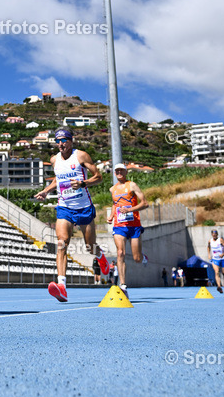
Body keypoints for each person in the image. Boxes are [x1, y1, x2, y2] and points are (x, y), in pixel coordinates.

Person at [34, 128, 108, 302]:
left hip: (84, 208)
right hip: (64, 207)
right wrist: (45, 191)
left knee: (90, 246)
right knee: (61, 243)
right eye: (58, 141)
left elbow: (98, 177)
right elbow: (58, 179)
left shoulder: (81, 156)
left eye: (64, 140)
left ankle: (100, 256)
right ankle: (62, 286)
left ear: (71, 141)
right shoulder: (54, 160)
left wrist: (83, 183)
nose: (61, 144)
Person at [106, 163, 149, 299]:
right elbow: (115, 204)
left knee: (136, 258)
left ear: (125, 172)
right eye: (117, 171)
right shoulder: (112, 189)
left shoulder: (132, 185)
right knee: (120, 253)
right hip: (119, 225)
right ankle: (123, 286)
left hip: (134, 225)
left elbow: (145, 203)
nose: (119, 173)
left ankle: (143, 257)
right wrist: (112, 215)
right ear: (114, 173)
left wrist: (129, 210)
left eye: (121, 170)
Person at [208, 229, 224, 293]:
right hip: (215, 259)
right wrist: (209, 254)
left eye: (215, 234)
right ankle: (219, 287)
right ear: (212, 234)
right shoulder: (210, 241)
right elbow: (208, 247)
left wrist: (223, 254)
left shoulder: (220, 240)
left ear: (217, 234)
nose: (214, 235)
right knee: (216, 272)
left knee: (223, 271)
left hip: (222, 259)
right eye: (213, 234)